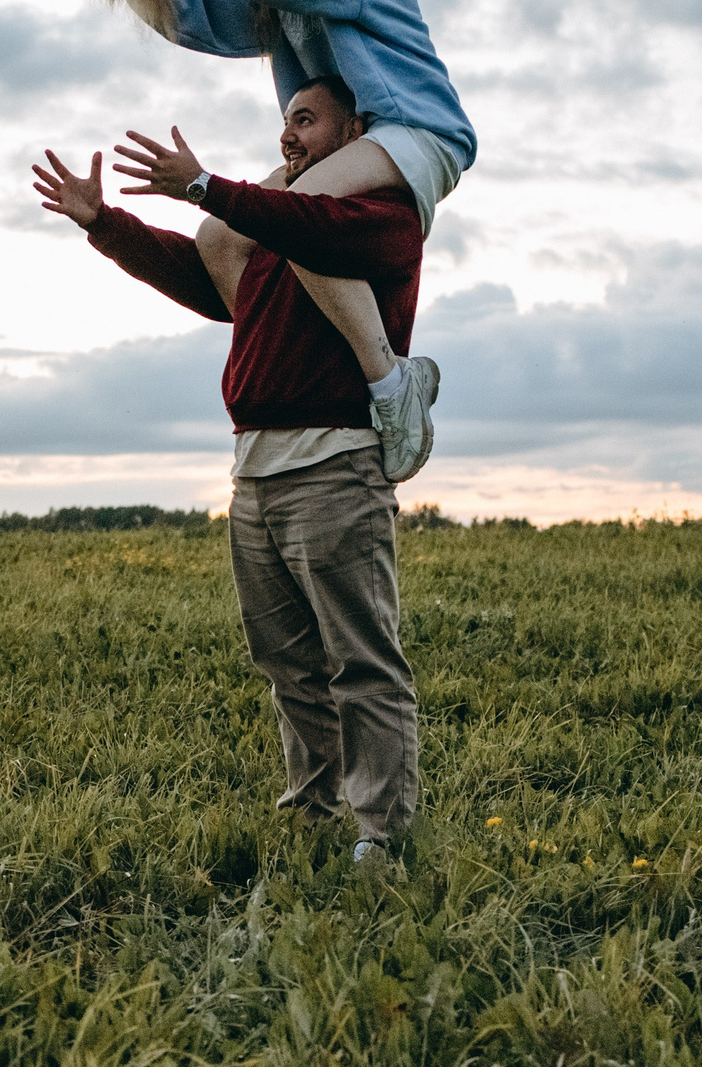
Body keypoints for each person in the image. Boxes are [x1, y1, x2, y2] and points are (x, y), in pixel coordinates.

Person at [32, 76, 422, 864]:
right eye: (285, 120)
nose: (288, 135)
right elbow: (206, 278)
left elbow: (299, 223)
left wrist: (207, 186)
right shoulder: (275, 234)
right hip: (256, 473)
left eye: (306, 120)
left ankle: (382, 835)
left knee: (361, 661)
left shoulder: (383, 218)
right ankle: (312, 813)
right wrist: (106, 224)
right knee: (288, 663)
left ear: (358, 134)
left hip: (335, 469)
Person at [97, 0, 471, 483]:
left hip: (415, 127)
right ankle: (295, 354)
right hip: (348, 142)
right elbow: (201, 14)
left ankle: (392, 382)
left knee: (298, 216)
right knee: (219, 237)